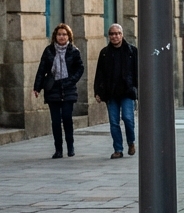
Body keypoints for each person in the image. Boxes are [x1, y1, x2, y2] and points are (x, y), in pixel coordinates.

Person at [32, 23, 85, 159]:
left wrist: (71, 80)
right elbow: (41, 69)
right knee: (55, 121)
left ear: (69, 36)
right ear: (55, 36)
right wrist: (37, 87)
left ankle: (70, 146)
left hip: (68, 89)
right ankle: (58, 149)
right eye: (59, 34)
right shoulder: (49, 51)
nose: (62, 37)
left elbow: (80, 68)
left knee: (67, 117)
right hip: (53, 89)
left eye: (64, 34)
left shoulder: (74, 51)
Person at [93, 24, 138, 158]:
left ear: (122, 35)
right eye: (112, 34)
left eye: (117, 33)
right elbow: (99, 74)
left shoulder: (132, 51)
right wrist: (97, 91)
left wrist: (137, 89)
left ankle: (131, 141)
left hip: (127, 92)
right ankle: (118, 149)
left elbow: (137, 72)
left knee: (128, 118)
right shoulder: (105, 53)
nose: (115, 36)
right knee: (114, 122)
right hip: (111, 93)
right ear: (109, 36)